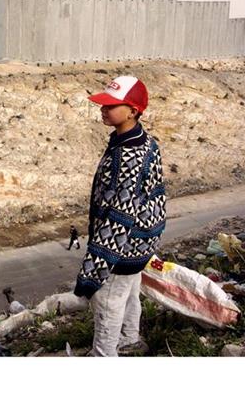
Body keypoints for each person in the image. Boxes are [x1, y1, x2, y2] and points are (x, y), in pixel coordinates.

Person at [73, 75, 166, 357]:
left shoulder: (128, 156)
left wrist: (94, 269)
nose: (103, 109)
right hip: (142, 240)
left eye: (111, 105)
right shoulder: (144, 141)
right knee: (128, 293)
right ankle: (129, 339)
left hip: (123, 246)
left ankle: (104, 355)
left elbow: (118, 217)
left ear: (133, 111)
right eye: (103, 104)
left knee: (108, 300)